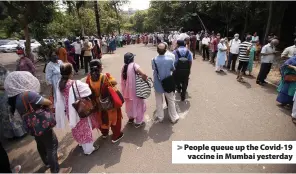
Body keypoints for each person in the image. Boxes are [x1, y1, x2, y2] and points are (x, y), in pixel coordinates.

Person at [4, 71, 72, 173]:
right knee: (52, 145)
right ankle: (56, 170)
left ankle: (48, 162)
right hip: (42, 124)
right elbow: (47, 102)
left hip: (32, 126)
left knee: (40, 143)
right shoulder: (28, 94)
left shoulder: (15, 98)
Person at [55, 63, 99, 155]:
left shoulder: (60, 83)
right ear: (71, 72)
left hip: (68, 109)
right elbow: (88, 91)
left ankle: (81, 143)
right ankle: (88, 149)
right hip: (78, 108)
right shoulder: (75, 83)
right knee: (84, 128)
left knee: (76, 127)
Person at [86, 59, 124, 143]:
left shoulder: (88, 78)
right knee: (115, 118)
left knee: (102, 118)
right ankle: (116, 136)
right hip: (108, 103)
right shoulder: (104, 77)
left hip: (97, 104)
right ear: (99, 68)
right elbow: (114, 83)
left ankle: (104, 133)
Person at [152, 43, 180, 123]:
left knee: (158, 101)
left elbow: (153, 69)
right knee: (171, 100)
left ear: (157, 50)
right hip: (168, 83)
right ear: (165, 50)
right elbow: (172, 69)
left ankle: (160, 117)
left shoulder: (153, 60)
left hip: (158, 83)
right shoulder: (170, 60)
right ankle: (174, 117)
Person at [121, 53, 148, 128]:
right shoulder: (134, 65)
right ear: (132, 59)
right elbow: (144, 74)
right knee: (138, 105)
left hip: (126, 91)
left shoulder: (123, 66)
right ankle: (138, 121)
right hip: (136, 90)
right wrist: (145, 80)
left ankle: (131, 118)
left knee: (129, 105)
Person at [0, 64, 26, 139]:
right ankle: (10, 135)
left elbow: (12, 80)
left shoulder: (5, 71)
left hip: (10, 94)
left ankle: (19, 132)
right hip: (2, 98)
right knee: (6, 116)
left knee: (13, 113)